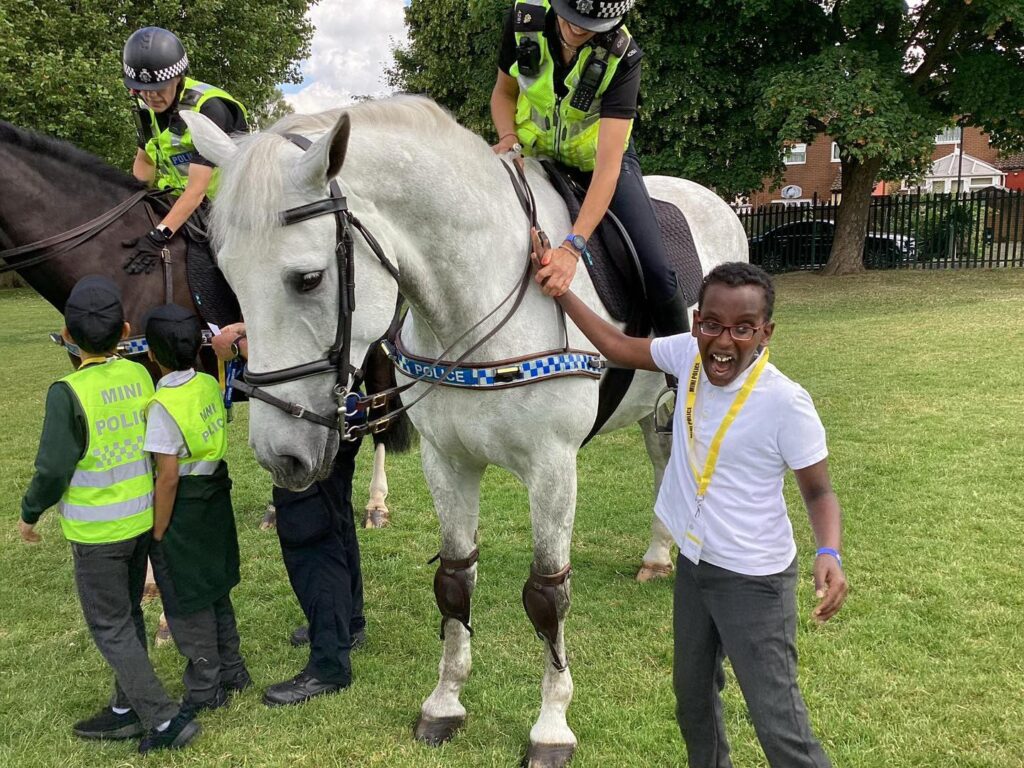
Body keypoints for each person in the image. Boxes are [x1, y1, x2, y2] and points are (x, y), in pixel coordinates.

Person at [544, 250, 848, 767]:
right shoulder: (687, 354)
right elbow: (616, 345)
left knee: (779, 724)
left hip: (755, 579)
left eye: (743, 329)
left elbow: (819, 492)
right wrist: (561, 288)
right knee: (694, 704)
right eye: (713, 325)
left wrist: (829, 551)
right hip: (696, 564)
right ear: (695, 322)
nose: (724, 342)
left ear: (766, 333)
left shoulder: (786, 402)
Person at [18, 276, 199, 753]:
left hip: (98, 533)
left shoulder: (67, 392)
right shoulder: (139, 375)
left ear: (68, 335)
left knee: (111, 625)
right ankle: (125, 707)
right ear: (124, 332)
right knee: (127, 617)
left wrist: (29, 513)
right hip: (140, 521)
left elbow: (53, 467)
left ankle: (163, 720)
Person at [491, 0, 688, 335]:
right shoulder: (524, 20)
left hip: (600, 163)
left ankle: (683, 371)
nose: (579, 28)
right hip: (534, 154)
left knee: (655, 269)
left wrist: (572, 248)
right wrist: (508, 137)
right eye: (573, 18)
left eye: (592, 25)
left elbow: (608, 167)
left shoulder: (623, 58)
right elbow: (504, 92)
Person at [212, 323, 366, 706]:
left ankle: (329, 664)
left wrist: (240, 348)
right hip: (340, 410)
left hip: (308, 421)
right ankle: (348, 624)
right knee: (335, 516)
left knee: (309, 534)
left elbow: (297, 356)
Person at [142, 305, 251, 717]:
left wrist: (158, 528)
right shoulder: (207, 383)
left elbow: (167, 477)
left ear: (152, 355)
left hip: (183, 506)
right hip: (214, 495)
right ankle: (233, 670)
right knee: (216, 586)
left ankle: (206, 687)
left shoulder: (161, 405)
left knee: (187, 598)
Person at [121, 27, 248, 266]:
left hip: (226, 213)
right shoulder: (144, 106)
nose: (151, 98)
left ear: (178, 78)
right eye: (143, 91)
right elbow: (145, 159)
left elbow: (197, 190)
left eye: (159, 90)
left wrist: (161, 234)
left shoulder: (209, 108)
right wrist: (133, 207)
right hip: (176, 202)